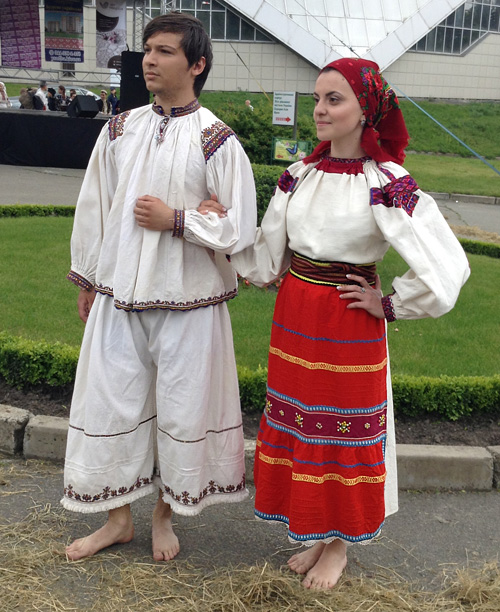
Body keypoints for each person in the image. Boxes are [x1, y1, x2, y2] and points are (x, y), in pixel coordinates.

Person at [199, 58, 470, 589]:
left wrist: (390, 302)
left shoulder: (386, 180)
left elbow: (446, 265)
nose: (320, 110)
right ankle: (319, 532)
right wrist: (218, 226)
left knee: (341, 430)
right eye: (318, 98)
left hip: (348, 322)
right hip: (296, 316)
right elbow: (266, 256)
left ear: (365, 110)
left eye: (334, 99)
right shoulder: (301, 174)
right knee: (303, 423)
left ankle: (340, 544)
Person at [61, 12, 257, 563]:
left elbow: (239, 226)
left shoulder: (217, 139)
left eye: (166, 51)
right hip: (120, 294)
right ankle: (117, 520)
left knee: (180, 409)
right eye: (148, 49)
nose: (150, 59)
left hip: (189, 302)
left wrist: (180, 219)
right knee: (111, 405)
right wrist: (89, 277)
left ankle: (163, 516)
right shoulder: (120, 129)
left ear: (196, 65)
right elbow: (95, 209)